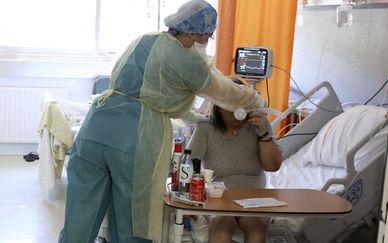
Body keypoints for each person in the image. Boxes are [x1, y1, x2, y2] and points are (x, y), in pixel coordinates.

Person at [57, 1, 265, 243]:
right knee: (133, 217)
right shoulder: (186, 59)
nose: (207, 40)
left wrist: (193, 117)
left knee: (80, 214)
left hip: (96, 127)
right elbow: (224, 91)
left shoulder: (145, 40)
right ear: (192, 31)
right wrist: (256, 101)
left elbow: (155, 92)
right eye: (207, 35)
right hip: (134, 137)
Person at [187, 77, 283, 243]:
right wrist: (190, 199)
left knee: (256, 229)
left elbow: (273, 166)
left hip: (254, 196)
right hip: (219, 196)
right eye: (230, 103)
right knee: (221, 229)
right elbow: (188, 165)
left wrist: (264, 135)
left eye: (241, 102)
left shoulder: (260, 125)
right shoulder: (206, 128)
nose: (236, 109)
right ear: (218, 106)